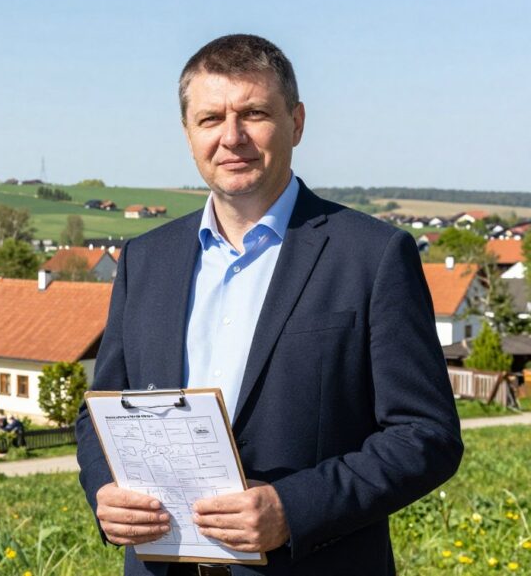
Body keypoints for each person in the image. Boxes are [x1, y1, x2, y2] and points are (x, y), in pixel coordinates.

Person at [75, 34, 463, 576]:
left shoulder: (372, 256)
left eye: (253, 113)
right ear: (189, 134)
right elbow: (100, 412)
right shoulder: (145, 259)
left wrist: (294, 509)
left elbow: (427, 436)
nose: (231, 137)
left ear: (296, 123)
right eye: (210, 119)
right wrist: (104, 490)